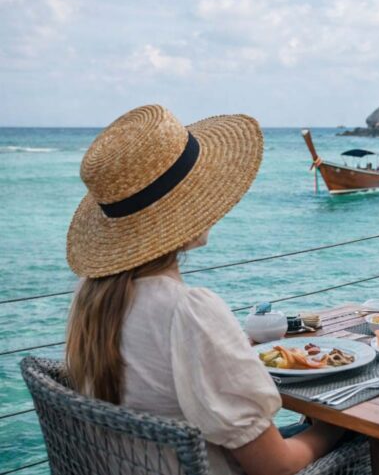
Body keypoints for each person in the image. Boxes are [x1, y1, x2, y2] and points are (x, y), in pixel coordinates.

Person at [65, 105, 344, 475]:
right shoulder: (188, 311)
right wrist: (333, 430)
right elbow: (274, 466)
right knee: (369, 434)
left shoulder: (89, 300)